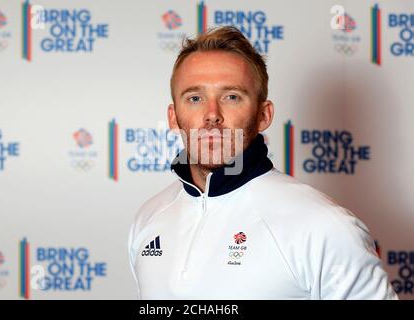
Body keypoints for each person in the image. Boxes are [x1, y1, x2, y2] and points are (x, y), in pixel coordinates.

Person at [128, 26, 397, 299]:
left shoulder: (325, 227)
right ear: (173, 117)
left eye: (231, 97)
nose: (212, 115)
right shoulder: (148, 218)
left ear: (263, 115)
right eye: (195, 98)